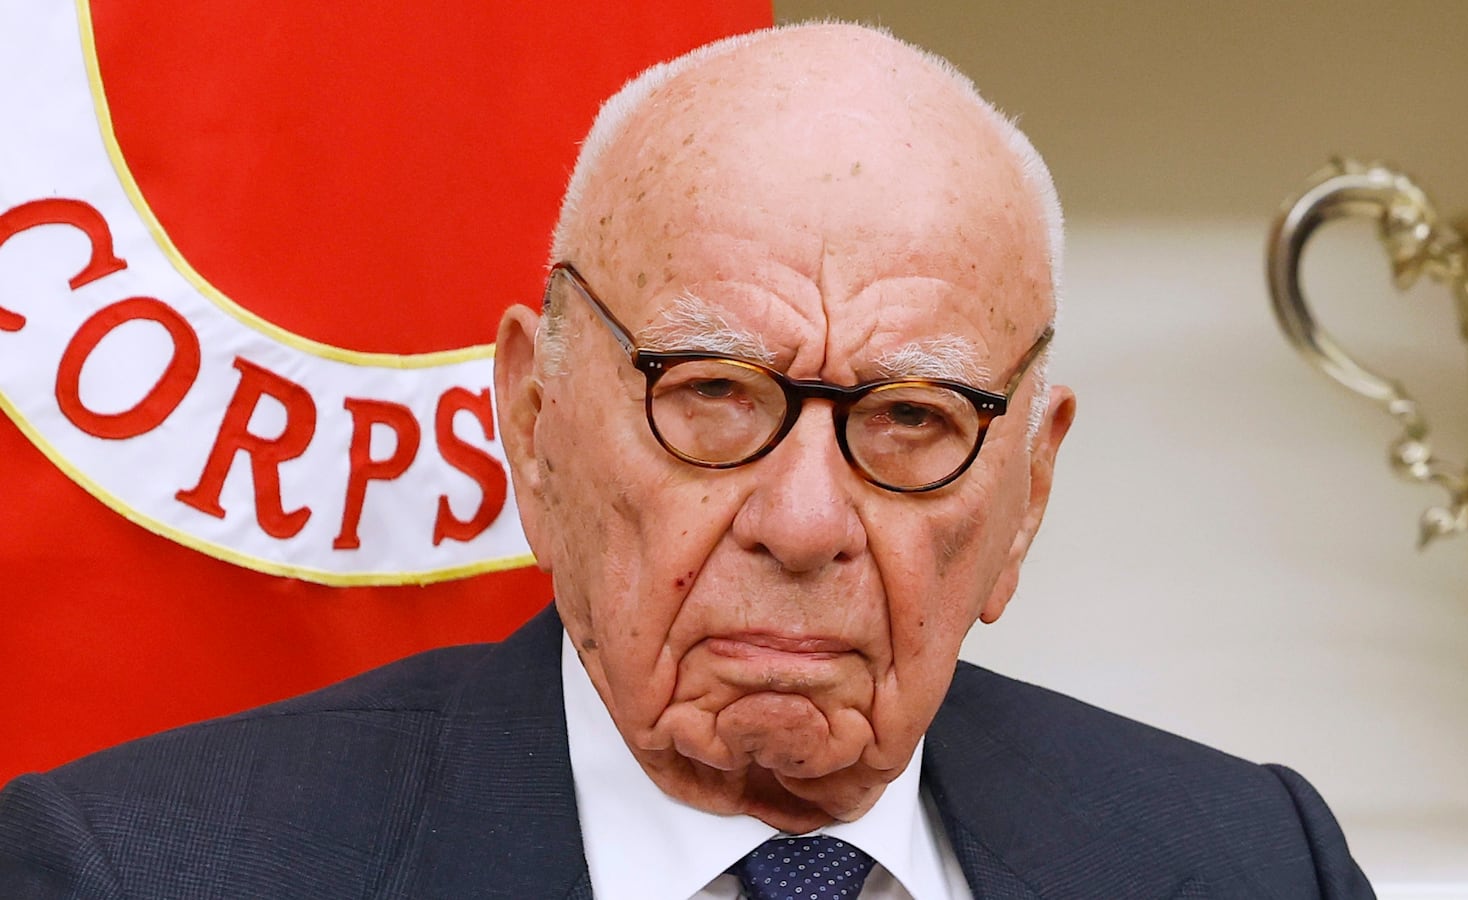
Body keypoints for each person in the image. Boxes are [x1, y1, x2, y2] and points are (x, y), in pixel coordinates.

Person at [0, 22, 1373, 900]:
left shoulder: (1249, 861)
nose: (805, 520)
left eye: (911, 420)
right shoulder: (136, 873)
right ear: (535, 423)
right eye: (710, 393)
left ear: (1028, 494)